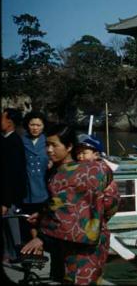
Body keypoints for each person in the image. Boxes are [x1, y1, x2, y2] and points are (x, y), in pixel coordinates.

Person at [21, 124, 114, 284]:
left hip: (78, 246)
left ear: (69, 146)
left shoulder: (62, 175)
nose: (49, 150)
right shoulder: (98, 169)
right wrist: (94, 220)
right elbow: (112, 202)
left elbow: (64, 210)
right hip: (91, 239)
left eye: (54, 145)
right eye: (46, 145)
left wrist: (42, 236)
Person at [1, 108, 27, 262]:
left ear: (9, 122)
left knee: (12, 226)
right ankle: (10, 253)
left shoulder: (13, 142)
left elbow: (11, 175)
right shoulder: (7, 140)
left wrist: (6, 201)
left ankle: (17, 254)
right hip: (6, 193)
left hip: (10, 195)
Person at [20, 111, 50, 243]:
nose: (35, 128)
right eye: (32, 124)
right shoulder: (21, 140)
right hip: (27, 186)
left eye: (38, 125)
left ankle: (42, 242)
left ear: (43, 126)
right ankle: (33, 243)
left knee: (43, 216)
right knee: (29, 219)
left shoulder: (49, 141)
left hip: (44, 185)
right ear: (27, 125)